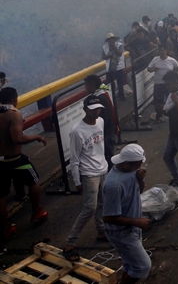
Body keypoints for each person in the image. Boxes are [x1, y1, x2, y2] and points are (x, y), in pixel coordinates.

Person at [63, 95, 108, 261]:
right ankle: (70, 242)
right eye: (93, 109)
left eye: (98, 108)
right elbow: (74, 159)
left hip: (103, 168)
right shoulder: (77, 131)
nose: (96, 112)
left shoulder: (101, 122)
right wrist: (77, 181)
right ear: (85, 110)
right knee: (90, 207)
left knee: (102, 203)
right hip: (89, 174)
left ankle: (102, 231)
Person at [0, 88, 48, 240]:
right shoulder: (14, 115)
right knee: (34, 182)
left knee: (1, 195)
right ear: (15, 98)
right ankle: (36, 213)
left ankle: (5, 229)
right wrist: (36, 137)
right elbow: (17, 139)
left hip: (0, 161)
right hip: (15, 159)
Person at [102, 144, 152, 284]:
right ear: (125, 164)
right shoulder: (114, 186)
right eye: (137, 165)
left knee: (130, 264)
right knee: (143, 266)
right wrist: (137, 222)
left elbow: (138, 191)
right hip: (121, 233)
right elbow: (108, 217)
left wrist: (140, 179)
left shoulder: (131, 172)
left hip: (131, 229)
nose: (139, 167)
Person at [83, 75, 118, 168]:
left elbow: (104, 119)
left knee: (108, 157)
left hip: (106, 134)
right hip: (108, 131)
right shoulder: (102, 94)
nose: (85, 88)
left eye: (86, 85)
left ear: (93, 85)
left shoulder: (100, 98)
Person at [147, 46, 178, 123]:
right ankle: (159, 116)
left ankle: (170, 114)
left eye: (162, 50)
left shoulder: (171, 60)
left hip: (169, 85)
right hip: (158, 84)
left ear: (166, 51)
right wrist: (153, 69)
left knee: (170, 99)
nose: (161, 52)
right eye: (159, 51)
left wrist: (173, 75)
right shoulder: (155, 59)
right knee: (158, 101)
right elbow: (148, 69)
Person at [102, 33, 126, 101]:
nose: (111, 41)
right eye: (110, 40)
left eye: (112, 39)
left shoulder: (119, 45)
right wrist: (108, 56)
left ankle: (122, 96)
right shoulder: (105, 47)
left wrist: (114, 47)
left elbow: (120, 53)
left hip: (119, 67)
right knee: (109, 83)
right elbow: (103, 56)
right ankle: (111, 97)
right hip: (110, 68)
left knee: (120, 82)